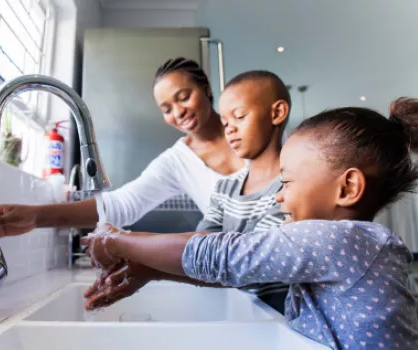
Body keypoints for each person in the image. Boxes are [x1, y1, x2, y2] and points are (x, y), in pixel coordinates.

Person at [82, 98, 418, 349]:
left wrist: (118, 240)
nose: (279, 196)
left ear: (347, 188)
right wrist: (153, 269)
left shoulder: (339, 240)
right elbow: (247, 271)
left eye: (287, 183)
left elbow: (223, 256)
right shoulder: (350, 244)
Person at [84, 70, 292, 313]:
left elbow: (240, 260)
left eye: (240, 116)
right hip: (253, 317)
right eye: (225, 122)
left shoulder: (292, 188)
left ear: (277, 113)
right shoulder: (226, 189)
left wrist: (120, 241)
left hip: (289, 326)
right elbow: (202, 253)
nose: (230, 130)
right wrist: (149, 270)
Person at [0, 57, 244, 238]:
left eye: (184, 97)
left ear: (206, 89)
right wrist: (37, 217)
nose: (178, 112)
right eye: (166, 109)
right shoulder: (176, 162)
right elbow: (121, 205)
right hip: (249, 280)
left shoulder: (248, 127)